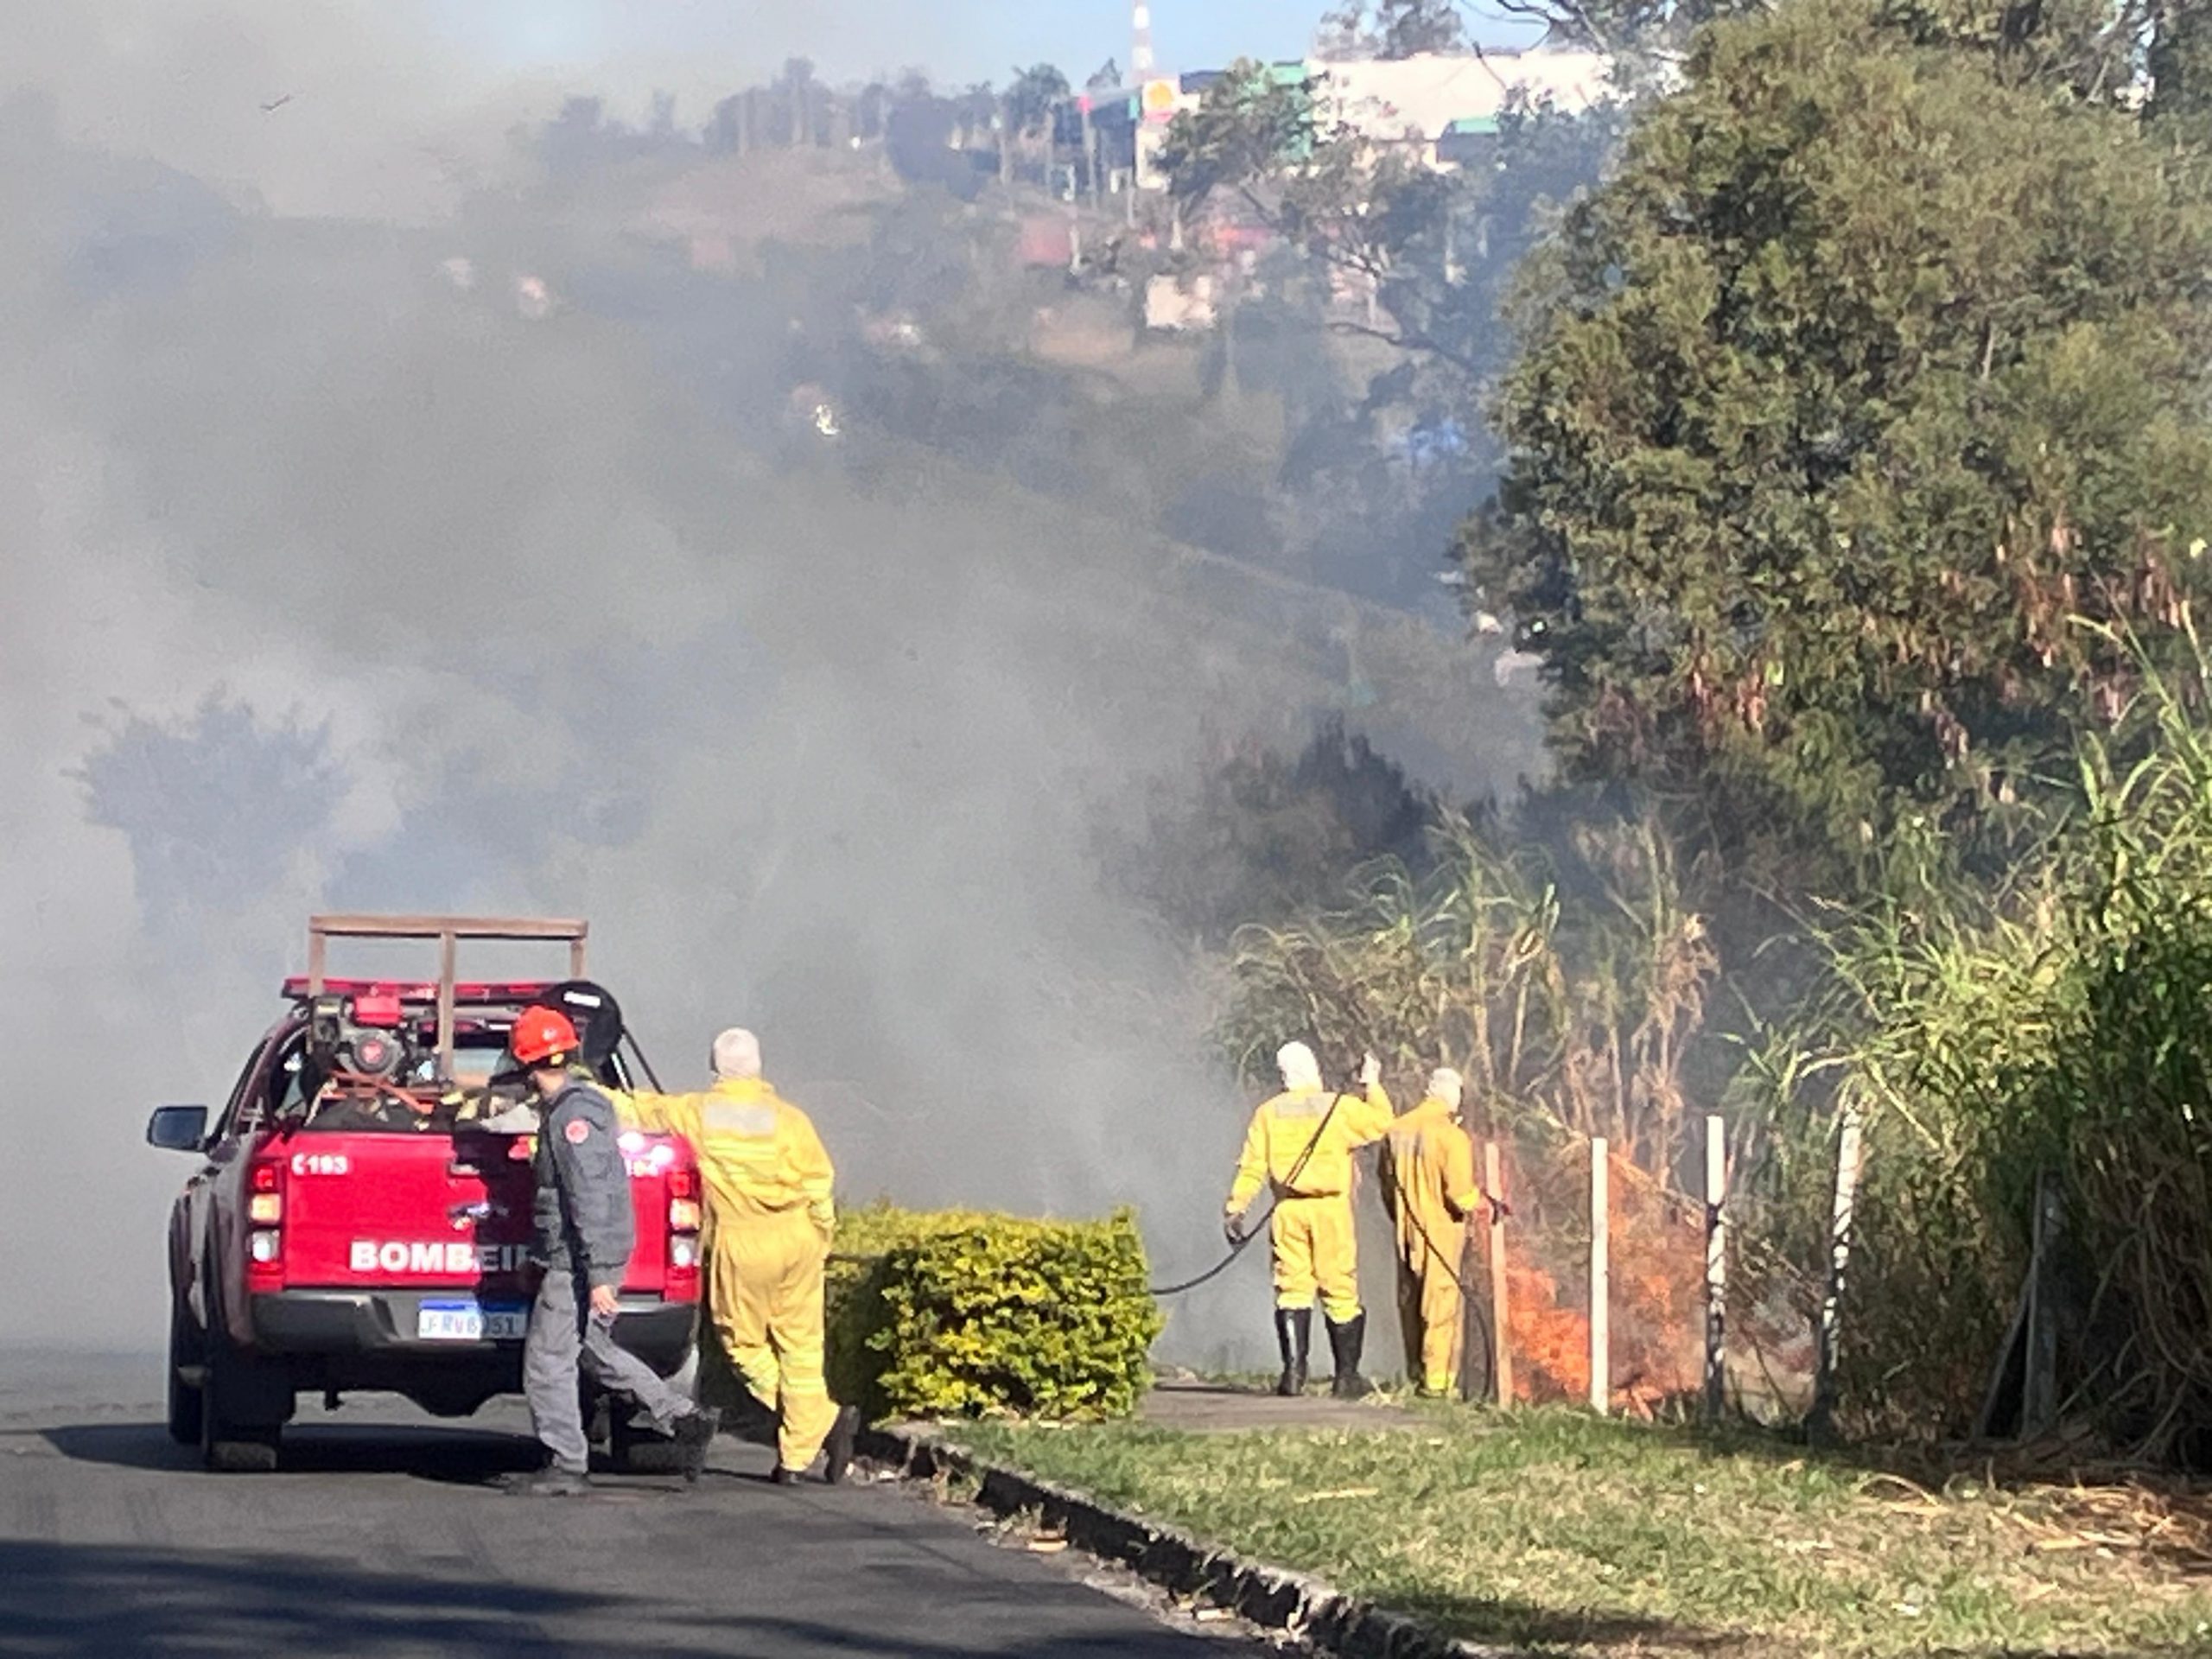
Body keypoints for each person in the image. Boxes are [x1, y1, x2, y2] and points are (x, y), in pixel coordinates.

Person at [613, 1028, 857, 1485]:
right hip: (800, 1238)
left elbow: (637, 1109)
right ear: (759, 1066)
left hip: (743, 1244)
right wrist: (820, 1241)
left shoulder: (697, 1114)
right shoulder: (791, 1121)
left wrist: (579, 1086)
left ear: (714, 1069)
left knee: (744, 1347)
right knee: (803, 1347)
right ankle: (796, 1457)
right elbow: (819, 1186)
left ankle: (821, 1420)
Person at [505, 1006, 719, 1496]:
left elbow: (590, 1195)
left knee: (547, 1361)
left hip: (578, 1262)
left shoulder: (574, 1116)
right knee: (593, 1350)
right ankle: (682, 1417)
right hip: (576, 1257)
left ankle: (566, 1464)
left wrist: (599, 1274)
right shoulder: (571, 1109)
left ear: (526, 1063)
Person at [1223, 1043, 1395, 1398]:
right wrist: (1372, 1085)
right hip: (1329, 1209)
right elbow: (1381, 1123)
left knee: (1291, 1289)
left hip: (1287, 1210)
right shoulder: (1338, 1108)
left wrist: (1236, 1207)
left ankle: (1293, 1375)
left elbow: (1252, 1165)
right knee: (1340, 1289)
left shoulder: (1268, 1113)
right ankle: (1346, 1378)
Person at [1381, 1068, 1498, 1399]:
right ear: (1453, 1095)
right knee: (1441, 1304)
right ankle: (1438, 1384)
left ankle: (1415, 1372)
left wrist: (1400, 1217)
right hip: (1441, 1230)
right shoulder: (1451, 1136)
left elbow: (1386, 1186)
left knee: (1410, 1301)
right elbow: (1461, 1195)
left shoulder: (1396, 1130)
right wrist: (1488, 1205)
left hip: (1406, 1228)